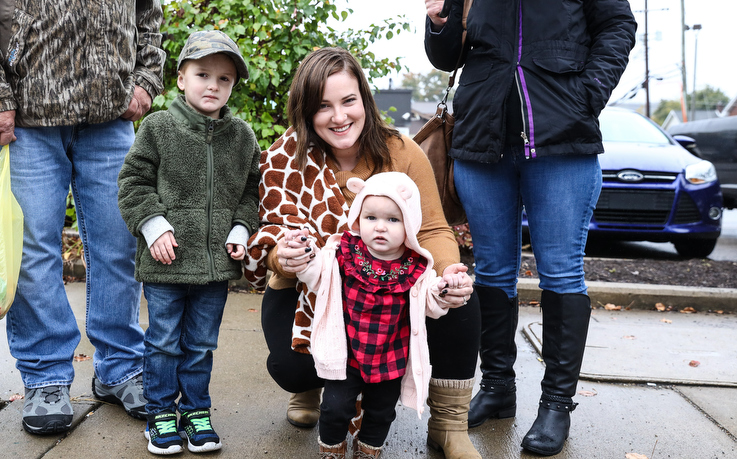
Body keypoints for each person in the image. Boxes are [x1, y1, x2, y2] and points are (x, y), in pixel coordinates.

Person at [0, 0, 166, 435]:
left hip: (109, 113)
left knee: (120, 243)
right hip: (20, 113)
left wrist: (143, 80)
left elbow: (148, 12)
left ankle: (120, 368)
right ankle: (46, 378)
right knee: (31, 252)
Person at [244, 46, 482, 459]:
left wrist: (448, 273)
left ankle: (448, 425)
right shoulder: (286, 157)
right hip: (312, 291)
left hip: (387, 289)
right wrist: (282, 257)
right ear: (304, 111)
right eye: (323, 106)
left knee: (461, 300)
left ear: (365, 101)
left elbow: (431, 228)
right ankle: (312, 387)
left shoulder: (401, 151)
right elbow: (271, 232)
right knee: (290, 367)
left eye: (348, 101)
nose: (339, 117)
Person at [424, 0, 637, 455]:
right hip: (482, 137)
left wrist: (589, 92)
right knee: (493, 273)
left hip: (562, 138)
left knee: (560, 271)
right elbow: (446, 57)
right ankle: (498, 388)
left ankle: (556, 404)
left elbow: (617, 24)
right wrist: (439, 22)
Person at [117, 30, 260, 455]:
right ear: (180, 78)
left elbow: (252, 192)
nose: (213, 85)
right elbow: (133, 182)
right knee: (162, 341)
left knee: (200, 345)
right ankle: (160, 413)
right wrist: (153, 224)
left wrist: (241, 228)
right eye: (202, 74)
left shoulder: (242, 137)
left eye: (224, 79)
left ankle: (196, 411)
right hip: (166, 264)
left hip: (215, 267)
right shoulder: (159, 127)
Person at [294, 172, 472, 458]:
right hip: (348, 354)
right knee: (334, 407)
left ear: (410, 225)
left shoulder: (416, 266)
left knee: (381, 412)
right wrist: (304, 258)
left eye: (393, 220)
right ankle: (331, 450)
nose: (380, 228)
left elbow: (430, 302)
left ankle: (368, 450)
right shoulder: (344, 252)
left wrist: (442, 288)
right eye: (371, 218)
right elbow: (317, 277)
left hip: (391, 358)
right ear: (357, 218)